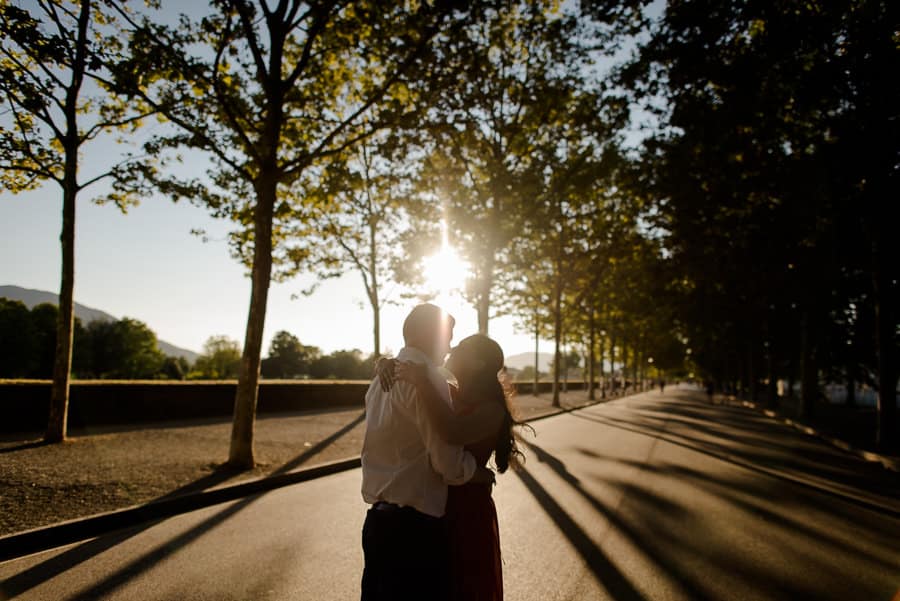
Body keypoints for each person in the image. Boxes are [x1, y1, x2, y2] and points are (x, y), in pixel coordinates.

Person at [360, 304, 494, 601]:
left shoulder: (378, 380)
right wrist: (478, 472)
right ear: (429, 335)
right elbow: (446, 461)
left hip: (376, 524)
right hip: (415, 531)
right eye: (447, 336)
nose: (448, 347)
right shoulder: (427, 380)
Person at [387, 333, 525, 601]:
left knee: (465, 587)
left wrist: (423, 382)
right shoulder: (447, 392)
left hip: (467, 511)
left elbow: (452, 431)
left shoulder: (491, 410)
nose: (450, 349)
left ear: (478, 364)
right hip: (436, 507)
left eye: (460, 347)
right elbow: (412, 373)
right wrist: (387, 363)